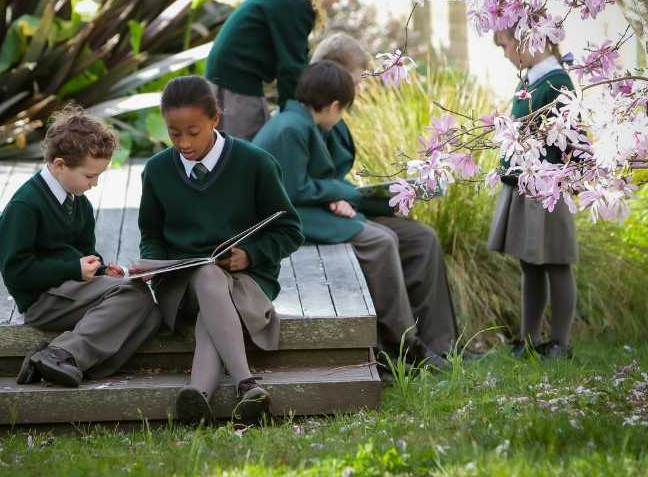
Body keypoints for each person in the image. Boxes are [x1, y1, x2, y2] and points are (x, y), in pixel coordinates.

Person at [253, 61, 459, 371]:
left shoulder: (301, 122)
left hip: (314, 209)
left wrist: (343, 196)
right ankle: (405, 345)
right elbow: (294, 190)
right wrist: (341, 194)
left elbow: (310, 184)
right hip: (289, 219)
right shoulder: (290, 126)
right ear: (334, 106)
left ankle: (441, 344)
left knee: (421, 238)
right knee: (381, 241)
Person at [133, 75, 304, 425]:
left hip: (246, 280)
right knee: (208, 277)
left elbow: (291, 231)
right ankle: (246, 384)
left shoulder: (256, 163)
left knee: (212, 299)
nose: (183, 142)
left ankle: (198, 396)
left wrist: (251, 255)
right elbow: (151, 232)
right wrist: (154, 263)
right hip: (181, 286)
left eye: (193, 131)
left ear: (215, 119)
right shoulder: (156, 171)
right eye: (173, 132)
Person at [0, 104, 163, 388]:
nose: (94, 183)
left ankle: (57, 363)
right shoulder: (25, 205)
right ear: (60, 165)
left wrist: (103, 271)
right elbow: (16, 271)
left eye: (98, 176)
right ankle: (63, 354)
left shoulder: (79, 202)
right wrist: (73, 269)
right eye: (89, 175)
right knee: (136, 295)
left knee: (153, 314)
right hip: (43, 300)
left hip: (70, 291)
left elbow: (86, 254)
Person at [205, 0, 357, 141]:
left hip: (229, 74)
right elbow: (291, 67)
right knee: (249, 151)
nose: (337, 0)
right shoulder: (296, 3)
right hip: (236, 78)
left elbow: (299, 58)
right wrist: (294, 119)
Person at [489, 27, 579, 360]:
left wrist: (554, 176)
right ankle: (529, 340)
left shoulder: (558, 81)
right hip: (524, 186)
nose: (505, 53)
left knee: (556, 261)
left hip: (548, 188)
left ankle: (560, 343)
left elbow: (568, 139)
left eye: (506, 45)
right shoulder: (529, 79)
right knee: (530, 262)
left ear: (527, 39)